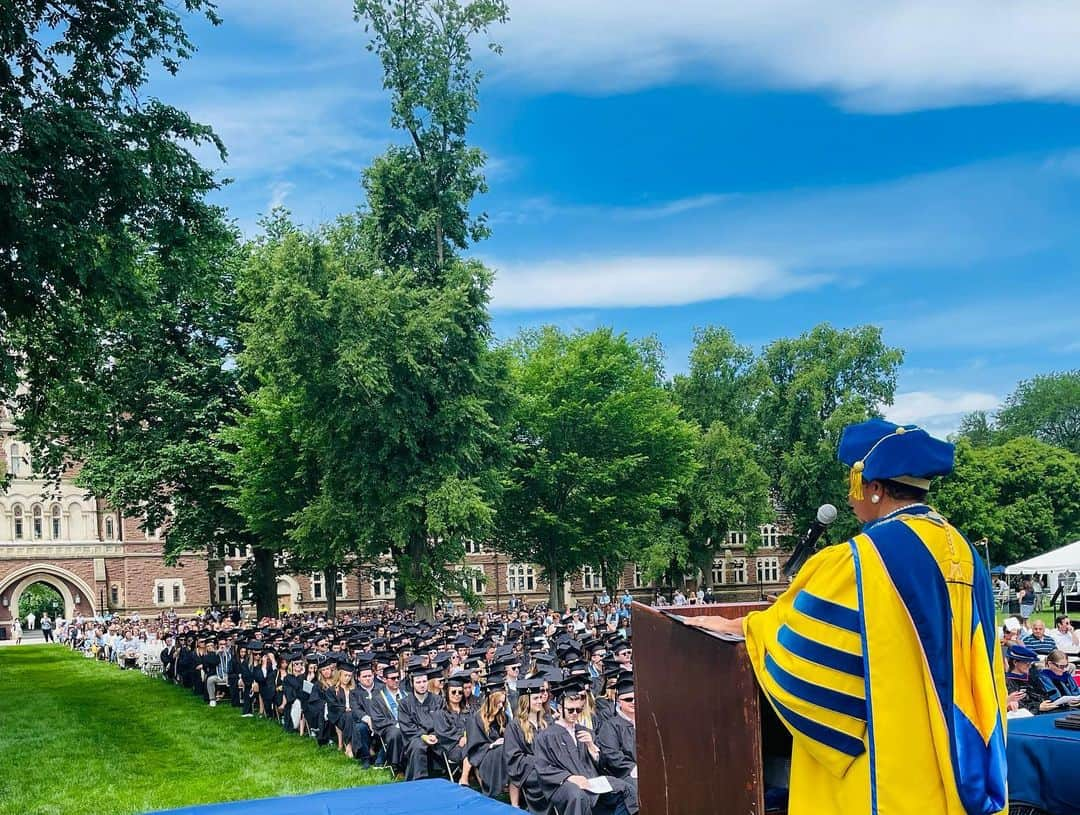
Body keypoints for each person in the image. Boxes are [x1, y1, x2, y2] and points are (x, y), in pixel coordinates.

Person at [685, 418, 1007, 815]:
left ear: (873, 488)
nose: (849, 496)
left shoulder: (859, 560)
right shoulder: (963, 552)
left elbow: (798, 637)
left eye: (852, 484)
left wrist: (743, 625)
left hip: (885, 760)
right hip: (955, 748)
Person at [533, 679, 636, 815]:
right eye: (570, 710)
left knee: (626, 789)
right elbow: (543, 767)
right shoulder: (546, 736)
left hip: (592, 780)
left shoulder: (585, 731)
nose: (575, 713)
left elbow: (602, 764)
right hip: (563, 785)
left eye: (579, 709)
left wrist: (592, 747)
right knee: (578, 794)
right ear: (559, 708)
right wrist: (569, 777)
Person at [505, 678, 551, 813]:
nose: (539, 701)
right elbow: (514, 757)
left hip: (549, 766)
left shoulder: (547, 720)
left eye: (540, 698)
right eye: (535, 698)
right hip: (528, 771)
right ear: (526, 701)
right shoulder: (514, 726)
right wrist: (539, 760)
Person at [465, 676, 512, 800]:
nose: (501, 706)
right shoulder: (476, 718)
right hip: (484, 756)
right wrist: (492, 745)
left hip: (501, 751)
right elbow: (474, 747)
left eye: (503, 702)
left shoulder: (503, 717)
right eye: (498, 703)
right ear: (491, 701)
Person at [398, 668, 444, 780]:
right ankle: (419, 780)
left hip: (436, 735)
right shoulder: (405, 703)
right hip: (415, 736)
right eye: (418, 682)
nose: (422, 685)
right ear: (412, 684)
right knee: (418, 746)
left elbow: (442, 721)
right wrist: (423, 736)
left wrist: (435, 735)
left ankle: (441, 775)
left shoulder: (438, 700)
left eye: (424, 681)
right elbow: (407, 726)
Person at [596, 674, 636, 794]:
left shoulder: (648, 722)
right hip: (625, 774)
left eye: (636, 698)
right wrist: (633, 768)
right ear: (619, 700)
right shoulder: (610, 726)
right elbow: (611, 755)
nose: (633, 702)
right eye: (628, 699)